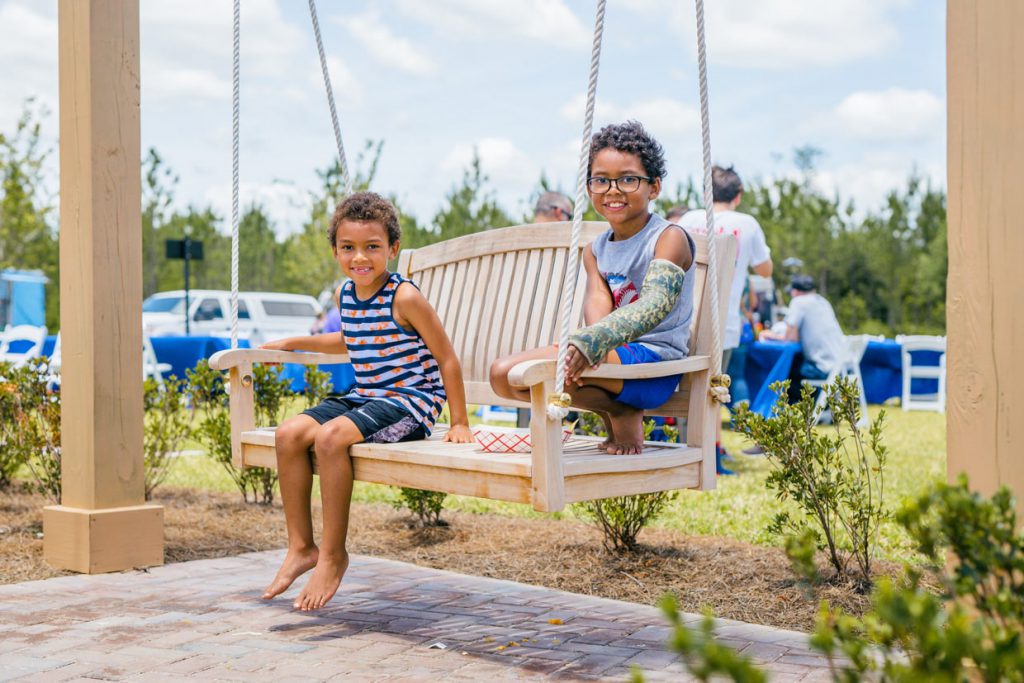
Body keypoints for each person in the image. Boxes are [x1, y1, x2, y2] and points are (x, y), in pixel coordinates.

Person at [259, 192, 473, 611]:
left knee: (330, 438)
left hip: (411, 402)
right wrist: (296, 341)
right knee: (288, 434)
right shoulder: (346, 295)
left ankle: (334, 554)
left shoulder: (405, 297)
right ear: (335, 251)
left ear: (393, 249)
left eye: (372, 247)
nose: (360, 257)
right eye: (348, 248)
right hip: (367, 397)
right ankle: (302, 546)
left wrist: (460, 421)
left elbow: (446, 357)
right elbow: (349, 340)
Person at [490, 121, 696, 455]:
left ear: (654, 187)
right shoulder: (595, 251)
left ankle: (623, 406)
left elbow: (656, 302)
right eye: (601, 180)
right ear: (589, 188)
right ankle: (616, 409)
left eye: (628, 179)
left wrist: (592, 341)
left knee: (542, 369)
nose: (613, 189)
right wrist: (588, 343)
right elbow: (598, 305)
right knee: (502, 375)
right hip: (609, 359)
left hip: (655, 366)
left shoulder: (669, 238)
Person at [677, 166, 772, 473]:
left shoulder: (690, 218)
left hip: (685, 318)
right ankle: (711, 459)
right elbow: (765, 269)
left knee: (685, 388)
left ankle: (683, 450)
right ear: (738, 196)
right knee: (715, 391)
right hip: (724, 321)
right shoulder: (747, 224)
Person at [761, 274, 846, 403]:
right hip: (841, 368)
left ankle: (779, 410)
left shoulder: (798, 302)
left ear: (795, 291)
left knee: (783, 371)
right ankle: (820, 407)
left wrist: (769, 334)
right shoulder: (823, 302)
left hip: (822, 368)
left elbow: (790, 338)